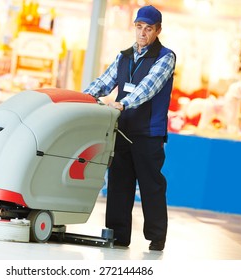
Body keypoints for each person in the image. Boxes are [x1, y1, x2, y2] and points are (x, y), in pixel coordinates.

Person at [83, 5, 176, 251]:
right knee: (118, 183)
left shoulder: (166, 57)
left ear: (157, 31)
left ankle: (156, 238)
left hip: (148, 134)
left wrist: (123, 103)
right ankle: (117, 234)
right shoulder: (124, 56)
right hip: (122, 130)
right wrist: (83, 98)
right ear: (134, 27)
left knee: (151, 186)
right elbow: (104, 81)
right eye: (139, 27)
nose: (142, 33)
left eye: (148, 29)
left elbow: (148, 87)